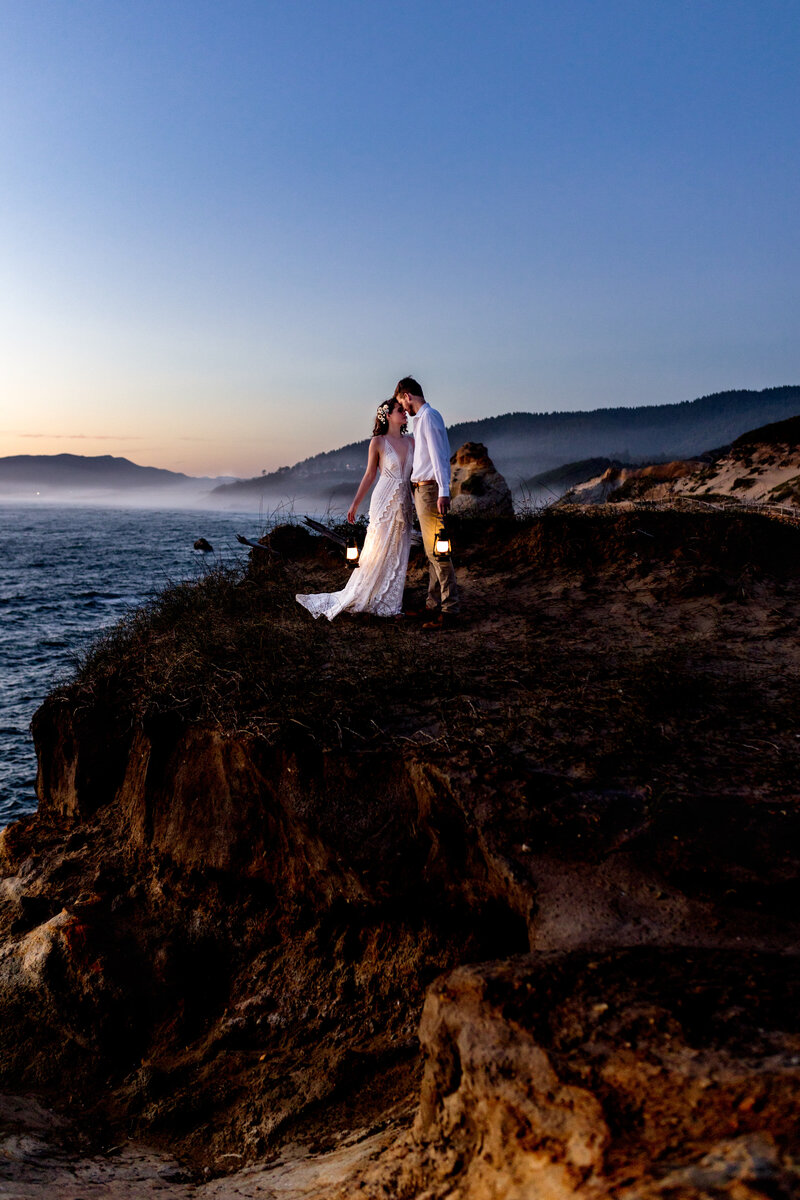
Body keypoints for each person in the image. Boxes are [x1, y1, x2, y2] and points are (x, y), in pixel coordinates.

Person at [295, 398, 414, 620]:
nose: (405, 413)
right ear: (387, 415)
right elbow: (370, 475)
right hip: (384, 499)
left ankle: (390, 601)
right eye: (400, 410)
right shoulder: (378, 442)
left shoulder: (412, 442)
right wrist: (355, 503)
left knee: (399, 547)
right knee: (377, 547)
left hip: (405, 500)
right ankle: (368, 596)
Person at [394, 376, 460, 628]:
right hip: (423, 491)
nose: (403, 409)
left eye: (402, 402)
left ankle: (450, 610)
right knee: (432, 551)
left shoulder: (429, 417)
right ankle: (433, 605)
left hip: (431, 491)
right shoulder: (421, 420)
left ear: (407, 396)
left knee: (438, 551)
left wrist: (444, 490)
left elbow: (439, 456)